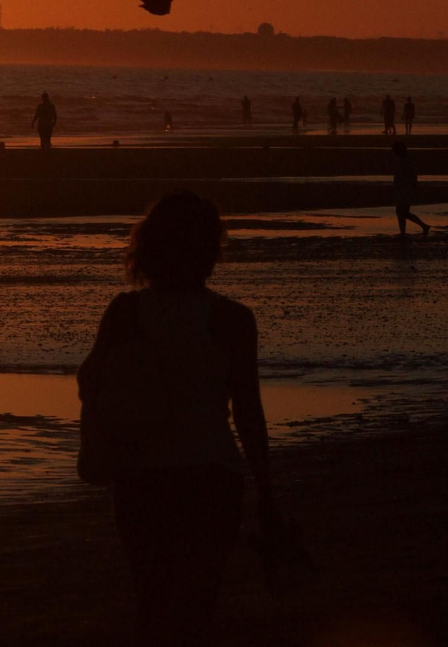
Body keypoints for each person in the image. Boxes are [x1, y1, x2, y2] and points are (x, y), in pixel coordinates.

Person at [77, 190, 276, 647]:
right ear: (208, 250)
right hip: (211, 476)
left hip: (142, 477)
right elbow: (248, 412)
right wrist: (266, 490)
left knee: (152, 602)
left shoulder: (125, 313)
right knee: (196, 607)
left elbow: (90, 382)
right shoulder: (232, 319)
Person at [391, 142, 431, 237]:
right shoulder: (404, 160)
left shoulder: (406, 161)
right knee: (402, 212)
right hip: (403, 189)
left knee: (402, 212)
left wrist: (411, 188)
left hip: (405, 189)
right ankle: (414, 229)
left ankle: (419, 227)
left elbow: (411, 176)